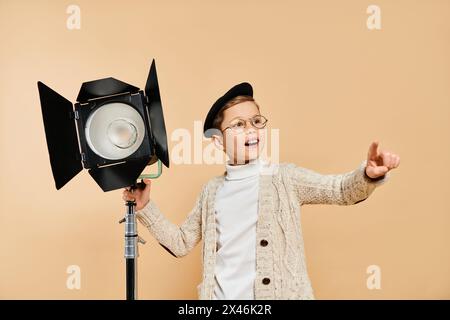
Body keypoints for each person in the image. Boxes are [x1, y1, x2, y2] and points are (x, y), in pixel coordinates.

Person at [122, 82, 400, 300]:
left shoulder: (285, 178)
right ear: (218, 141)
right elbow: (181, 243)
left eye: (256, 121)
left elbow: (339, 190)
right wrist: (145, 207)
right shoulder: (211, 192)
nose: (251, 130)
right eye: (238, 125)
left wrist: (365, 174)